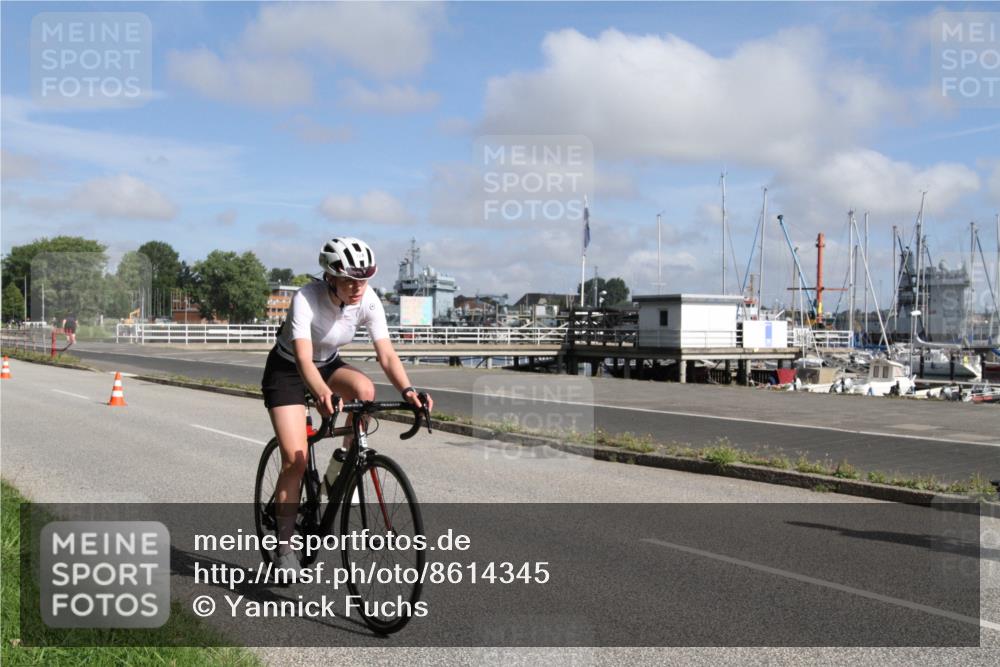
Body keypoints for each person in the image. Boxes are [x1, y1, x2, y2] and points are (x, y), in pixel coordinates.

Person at [261, 237, 432, 569]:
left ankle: (343, 466)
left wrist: (409, 391)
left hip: (328, 364)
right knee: (295, 461)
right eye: (349, 279)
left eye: (364, 278)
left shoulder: (368, 300)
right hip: (289, 369)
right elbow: (303, 359)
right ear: (329, 277)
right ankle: (283, 548)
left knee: (365, 391)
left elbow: (385, 354)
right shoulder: (305, 299)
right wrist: (322, 395)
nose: (357, 287)